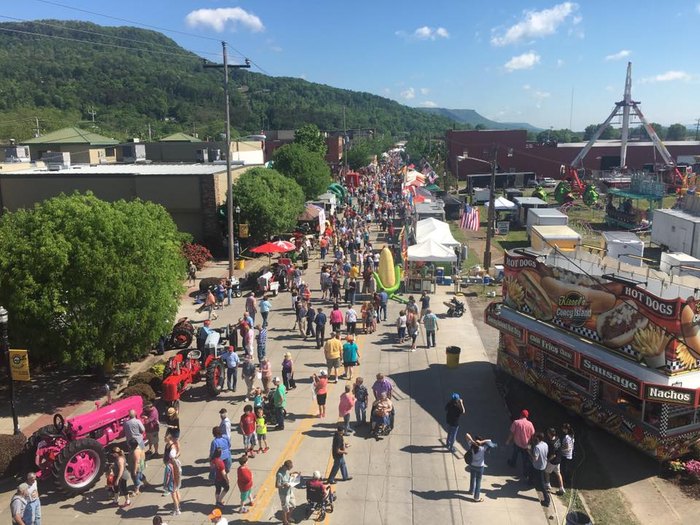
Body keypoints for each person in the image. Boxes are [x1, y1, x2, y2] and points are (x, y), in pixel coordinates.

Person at [506, 409, 535, 479]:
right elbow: (533, 434)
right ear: (527, 416)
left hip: (517, 443)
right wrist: (531, 444)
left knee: (515, 454)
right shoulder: (530, 424)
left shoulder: (516, 422)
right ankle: (525, 473)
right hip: (526, 445)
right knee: (525, 459)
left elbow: (512, 433)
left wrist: (508, 441)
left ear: (520, 415)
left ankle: (513, 463)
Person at [465, 433, 492, 503]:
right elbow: (490, 441)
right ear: (480, 441)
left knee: (472, 478)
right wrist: (482, 442)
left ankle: (471, 491)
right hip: (480, 467)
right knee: (478, 482)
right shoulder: (483, 448)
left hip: (472, 465)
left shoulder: (471, 446)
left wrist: (472, 441)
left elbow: (467, 435)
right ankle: (476, 497)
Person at [276, 460, 300, 525]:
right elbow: (277, 485)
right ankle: (285, 521)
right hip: (284, 494)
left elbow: (288, 476)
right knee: (285, 509)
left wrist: (293, 474)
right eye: (289, 468)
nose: (289, 470)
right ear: (286, 467)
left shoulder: (286, 470)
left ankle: (288, 517)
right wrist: (284, 485)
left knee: (293, 505)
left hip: (289, 491)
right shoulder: (279, 474)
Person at [530, 432, 551, 508]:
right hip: (543, 464)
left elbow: (535, 458)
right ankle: (531, 482)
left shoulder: (537, 447)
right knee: (536, 476)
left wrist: (529, 452)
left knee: (542, 483)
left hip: (538, 466)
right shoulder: (545, 444)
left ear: (538, 438)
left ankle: (547, 500)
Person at [163, 435, 181, 515]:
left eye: (165, 437)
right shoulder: (176, 464)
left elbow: (167, 476)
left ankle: (177, 509)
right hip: (176, 479)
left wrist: (165, 485)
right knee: (177, 491)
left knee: (173, 494)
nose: (164, 438)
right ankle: (178, 506)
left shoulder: (169, 466)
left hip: (172, 480)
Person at [544, 427, 565, 495]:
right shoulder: (557, 438)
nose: (547, 434)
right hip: (558, 460)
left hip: (553, 461)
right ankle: (561, 488)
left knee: (546, 472)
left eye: (548, 433)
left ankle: (547, 484)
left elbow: (553, 455)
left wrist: (547, 460)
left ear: (550, 434)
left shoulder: (551, 443)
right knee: (558, 473)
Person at [560, 423, 575, 487]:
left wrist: (560, 449)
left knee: (564, 469)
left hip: (565, 455)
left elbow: (567, 447)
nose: (562, 430)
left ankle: (565, 481)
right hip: (570, 455)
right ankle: (567, 479)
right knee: (566, 468)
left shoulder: (567, 437)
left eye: (563, 429)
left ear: (566, 429)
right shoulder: (572, 436)